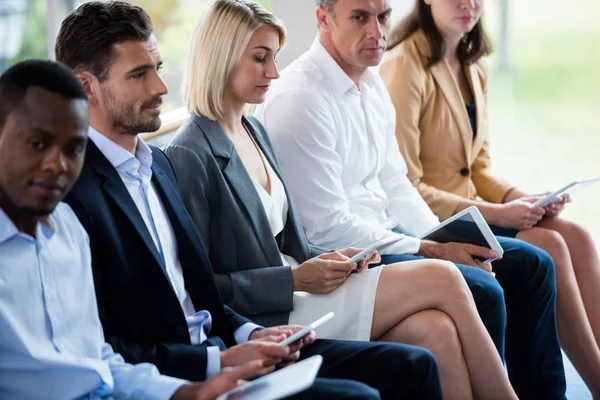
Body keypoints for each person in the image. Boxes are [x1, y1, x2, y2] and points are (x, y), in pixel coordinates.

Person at [56, 2, 443, 399]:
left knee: (416, 363)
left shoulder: (156, 167)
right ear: (87, 87)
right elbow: (105, 345)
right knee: (371, 383)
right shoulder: (75, 197)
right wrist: (216, 362)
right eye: (139, 75)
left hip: (233, 339)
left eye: (157, 67)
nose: (160, 87)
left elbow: (199, 290)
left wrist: (250, 332)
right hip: (183, 370)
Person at [165, 1, 515, 399]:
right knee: (446, 276)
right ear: (220, 58)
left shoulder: (251, 130)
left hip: (305, 286)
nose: (274, 73)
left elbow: (289, 242)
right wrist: (296, 278)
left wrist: (339, 258)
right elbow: (197, 289)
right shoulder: (190, 153)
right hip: (272, 310)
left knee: (436, 329)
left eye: (275, 58)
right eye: (260, 59)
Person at [255, 0, 567, 398]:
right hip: (349, 256)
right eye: (359, 17)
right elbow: (328, 227)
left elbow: (396, 183)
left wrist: (445, 236)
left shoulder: (370, 82)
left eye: (383, 16)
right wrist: (431, 249)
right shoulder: (300, 99)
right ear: (323, 19)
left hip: (392, 234)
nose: (376, 31)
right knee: (483, 287)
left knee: (531, 264)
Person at [0, 59, 273, 400]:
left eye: (73, 148)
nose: (58, 165)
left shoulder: (68, 231)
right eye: (38, 144)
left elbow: (98, 364)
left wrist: (189, 393)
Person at [379, 0, 600, 395]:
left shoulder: (471, 64)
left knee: (577, 236)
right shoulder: (403, 65)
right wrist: (501, 212)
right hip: (435, 221)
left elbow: (478, 166)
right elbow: (407, 184)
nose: (469, 4)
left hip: (479, 211)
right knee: (550, 244)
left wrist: (525, 199)